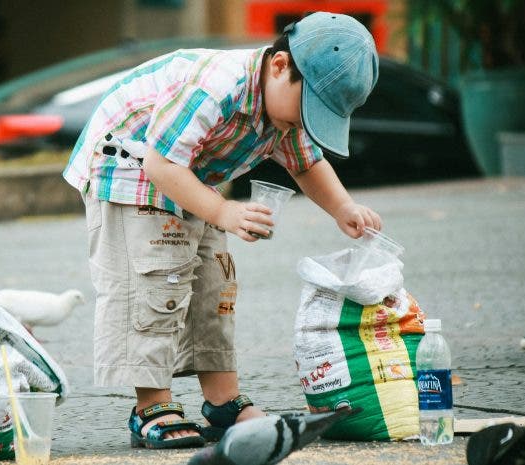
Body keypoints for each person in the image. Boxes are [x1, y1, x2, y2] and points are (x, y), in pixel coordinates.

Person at [62, 11, 382, 449]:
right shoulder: (215, 86)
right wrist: (224, 211)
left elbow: (307, 163)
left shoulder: (284, 113)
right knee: (156, 280)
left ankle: (222, 402)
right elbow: (162, 164)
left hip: (192, 177)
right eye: (307, 111)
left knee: (215, 286)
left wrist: (343, 207)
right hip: (130, 168)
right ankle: (151, 405)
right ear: (279, 66)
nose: (304, 126)